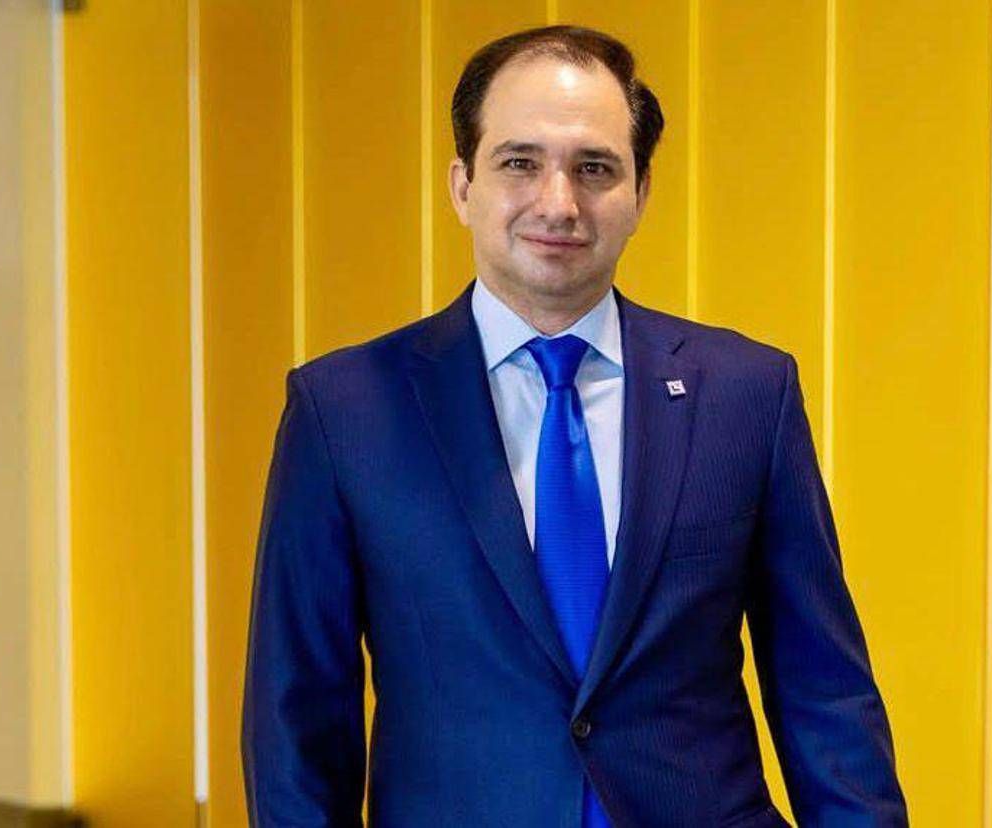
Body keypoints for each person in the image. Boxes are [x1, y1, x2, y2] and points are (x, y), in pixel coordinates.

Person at [242, 24, 908, 828]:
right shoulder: (343, 411)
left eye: (594, 168)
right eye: (519, 163)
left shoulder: (746, 394)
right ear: (463, 185)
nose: (559, 203)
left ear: (641, 194)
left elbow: (823, 687)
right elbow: (297, 715)